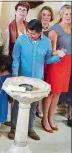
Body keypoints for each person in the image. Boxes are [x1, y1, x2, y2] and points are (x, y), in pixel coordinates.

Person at [8, 19, 66, 141]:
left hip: (37, 79)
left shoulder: (46, 42)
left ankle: (30, 128)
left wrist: (59, 57)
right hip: (22, 77)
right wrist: (14, 74)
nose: (30, 35)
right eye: (29, 32)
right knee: (18, 103)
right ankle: (13, 128)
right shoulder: (21, 39)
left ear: (40, 32)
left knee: (33, 104)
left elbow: (48, 60)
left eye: (33, 33)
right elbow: (16, 58)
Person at [42, 4, 71, 132]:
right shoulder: (55, 29)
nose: (69, 17)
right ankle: (44, 120)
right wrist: (58, 53)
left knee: (58, 92)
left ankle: (51, 118)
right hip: (56, 63)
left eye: (71, 14)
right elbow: (51, 52)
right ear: (61, 15)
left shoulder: (70, 29)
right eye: (66, 14)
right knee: (51, 91)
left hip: (67, 63)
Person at [2, 1, 30, 126]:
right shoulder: (10, 27)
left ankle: (21, 115)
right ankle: (9, 118)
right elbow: (6, 48)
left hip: (27, 62)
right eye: (20, 9)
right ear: (15, 11)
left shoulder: (28, 26)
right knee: (13, 88)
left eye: (24, 10)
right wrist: (8, 64)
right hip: (13, 61)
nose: (22, 12)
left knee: (23, 88)